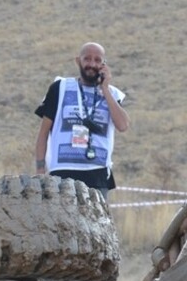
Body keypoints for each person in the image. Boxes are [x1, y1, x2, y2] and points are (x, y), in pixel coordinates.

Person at [34, 42, 131, 193]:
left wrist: (105, 89)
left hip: (97, 173)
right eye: (87, 59)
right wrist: (40, 170)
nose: (92, 64)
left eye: (98, 60)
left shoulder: (111, 93)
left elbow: (123, 125)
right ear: (78, 61)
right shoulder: (60, 88)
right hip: (63, 171)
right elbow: (43, 133)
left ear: (104, 65)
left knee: (96, 217)